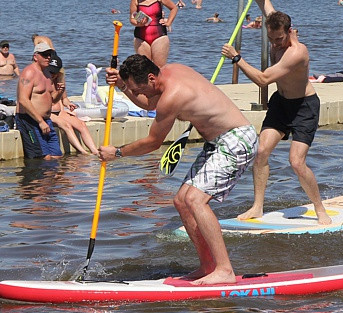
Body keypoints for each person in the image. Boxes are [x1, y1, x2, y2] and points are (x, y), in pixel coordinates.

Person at [98, 54, 257, 285]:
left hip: (237, 140)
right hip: (217, 143)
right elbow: (150, 103)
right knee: (181, 201)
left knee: (195, 200)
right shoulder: (170, 71)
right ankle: (207, 266)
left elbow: (153, 142)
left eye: (138, 89)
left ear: (151, 78)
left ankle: (225, 270)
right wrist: (123, 86)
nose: (138, 94)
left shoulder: (172, 96)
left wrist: (118, 153)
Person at [220, 0, 332, 226]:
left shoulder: (296, 52)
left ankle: (320, 209)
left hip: (304, 107)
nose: (275, 43)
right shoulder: (274, 22)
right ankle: (257, 207)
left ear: (290, 31)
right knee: (261, 152)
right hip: (281, 104)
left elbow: (263, 79)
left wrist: (237, 59)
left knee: (296, 162)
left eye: (279, 39)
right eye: (271, 39)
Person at [16, 42, 64, 159]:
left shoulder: (47, 74)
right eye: (45, 55)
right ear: (35, 56)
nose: (48, 57)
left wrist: (60, 92)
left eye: (49, 55)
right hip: (30, 120)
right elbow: (23, 100)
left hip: (46, 120)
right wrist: (40, 121)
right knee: (44, 158)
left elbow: (52, 100)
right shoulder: (29, 72)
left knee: (57, 156)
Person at [46, 54, 98, 155]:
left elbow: (64, 99)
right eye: (50, 72)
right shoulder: (42, 80)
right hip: (48, 113)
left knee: (81, 125)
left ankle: (95, 151)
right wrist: (59, 93)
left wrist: (69, 104)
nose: (52, 75)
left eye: (55, 72)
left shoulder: (59, 80)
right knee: (67, 125)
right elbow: (50, 101)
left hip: (59, 112)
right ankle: (83, 152)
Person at [130, 0, 177, 67]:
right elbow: (132, 18)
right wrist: (139, 23)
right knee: (144, 68)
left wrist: (168, 22)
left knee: (159, 68)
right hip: (141, 37)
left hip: (159, 35)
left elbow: (174, 8)